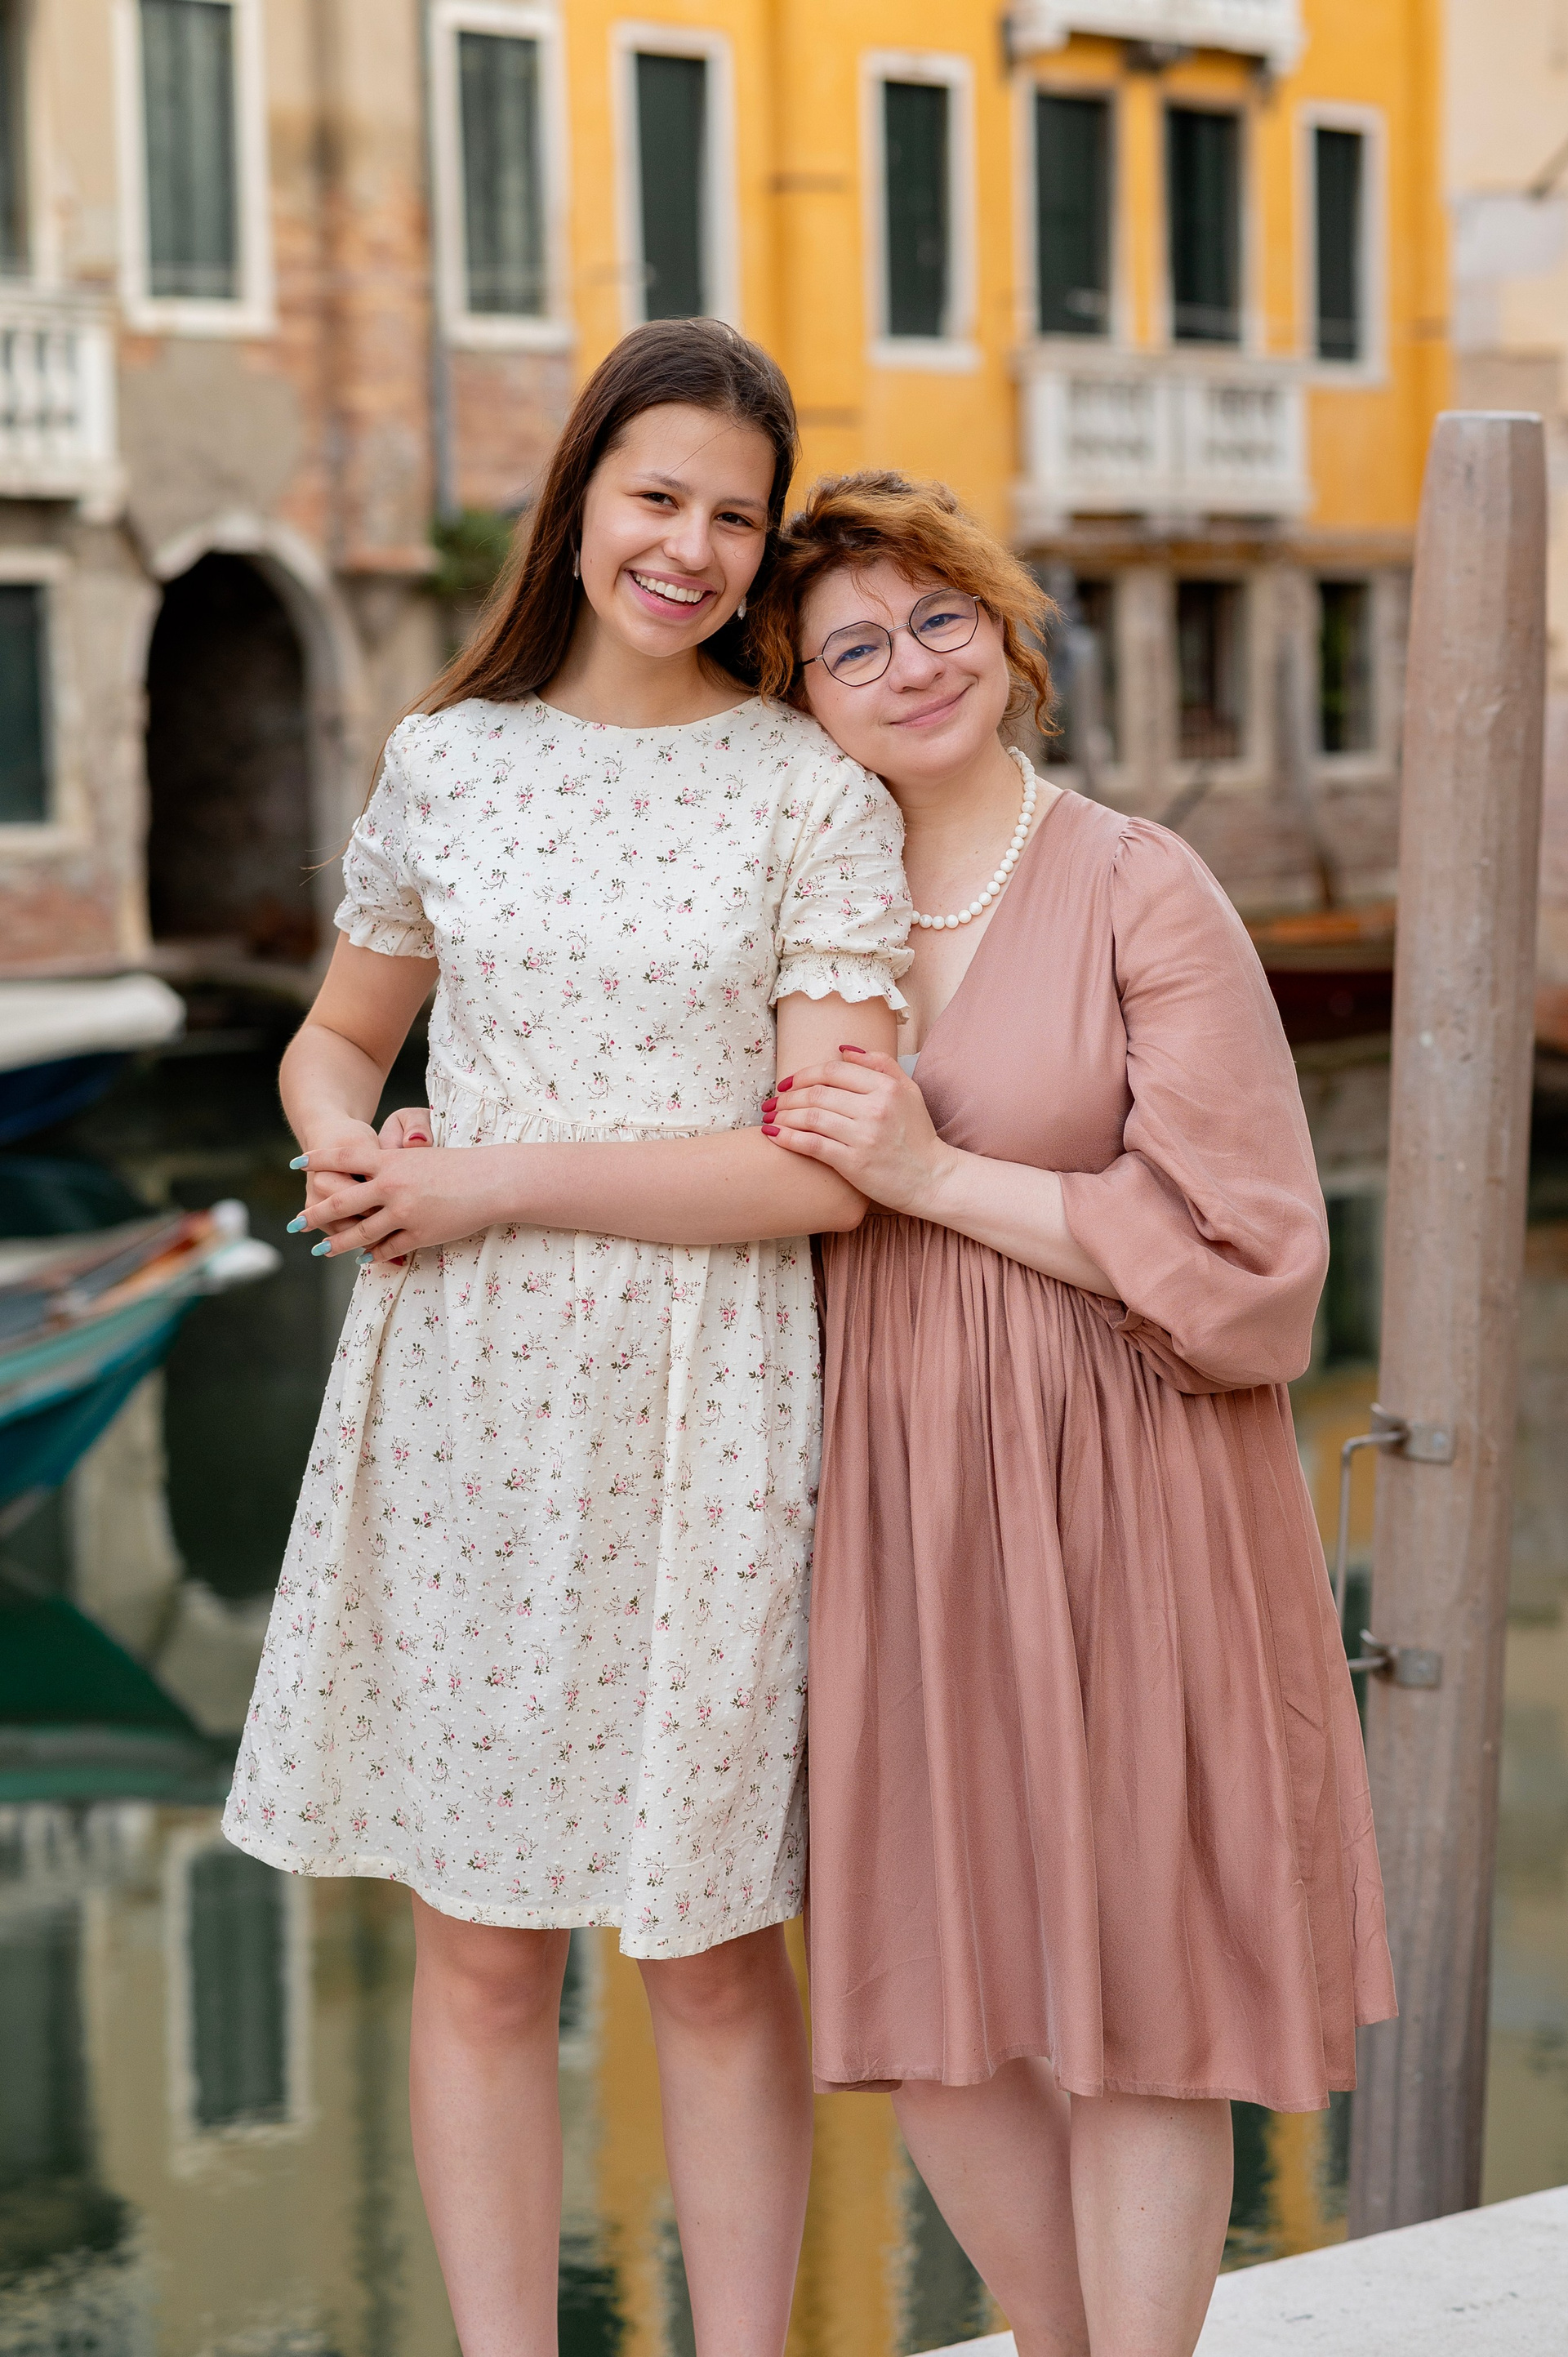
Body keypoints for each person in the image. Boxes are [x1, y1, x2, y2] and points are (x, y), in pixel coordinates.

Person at [223, 328, 911, 2357]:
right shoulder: (451, 757)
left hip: (709, 1403)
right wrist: (352, 1146)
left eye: (735, 517)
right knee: (481, 1945)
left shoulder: (812, 789)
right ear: (583, 497)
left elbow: (822, 1176)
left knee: (708, 1949)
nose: (689, 547)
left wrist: (498, 1179)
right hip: (467, 1404)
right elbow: (338, 1037)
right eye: (657, 496)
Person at [746, 473, 1396, 2357]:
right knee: (937, 1994)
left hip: (1131, 1480)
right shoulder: (793, 909)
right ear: (797, 701)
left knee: (1137, 1992)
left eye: (938, 616)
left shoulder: (1135, 880)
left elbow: (1262, 1270)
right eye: (852, 648)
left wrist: (935, 1178)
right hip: (890, 1495)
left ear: (1006, 631)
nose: (910, 664)